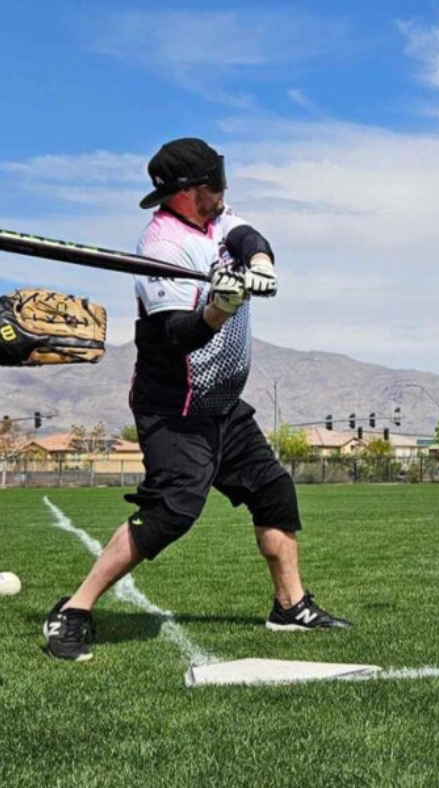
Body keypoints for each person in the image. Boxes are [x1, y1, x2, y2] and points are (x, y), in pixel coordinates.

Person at [43, 138, 350, 661]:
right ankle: (72, 610)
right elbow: (176, 334)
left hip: (223, 403)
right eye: (214, 184)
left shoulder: (216, 219)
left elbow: (248, 234)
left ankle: (290, 606)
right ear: (186, 192)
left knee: (274, 491)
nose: (223, 192)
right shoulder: (161, 246)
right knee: (171, 512)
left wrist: (261, 263)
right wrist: (220, 309)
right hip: (175, 405)